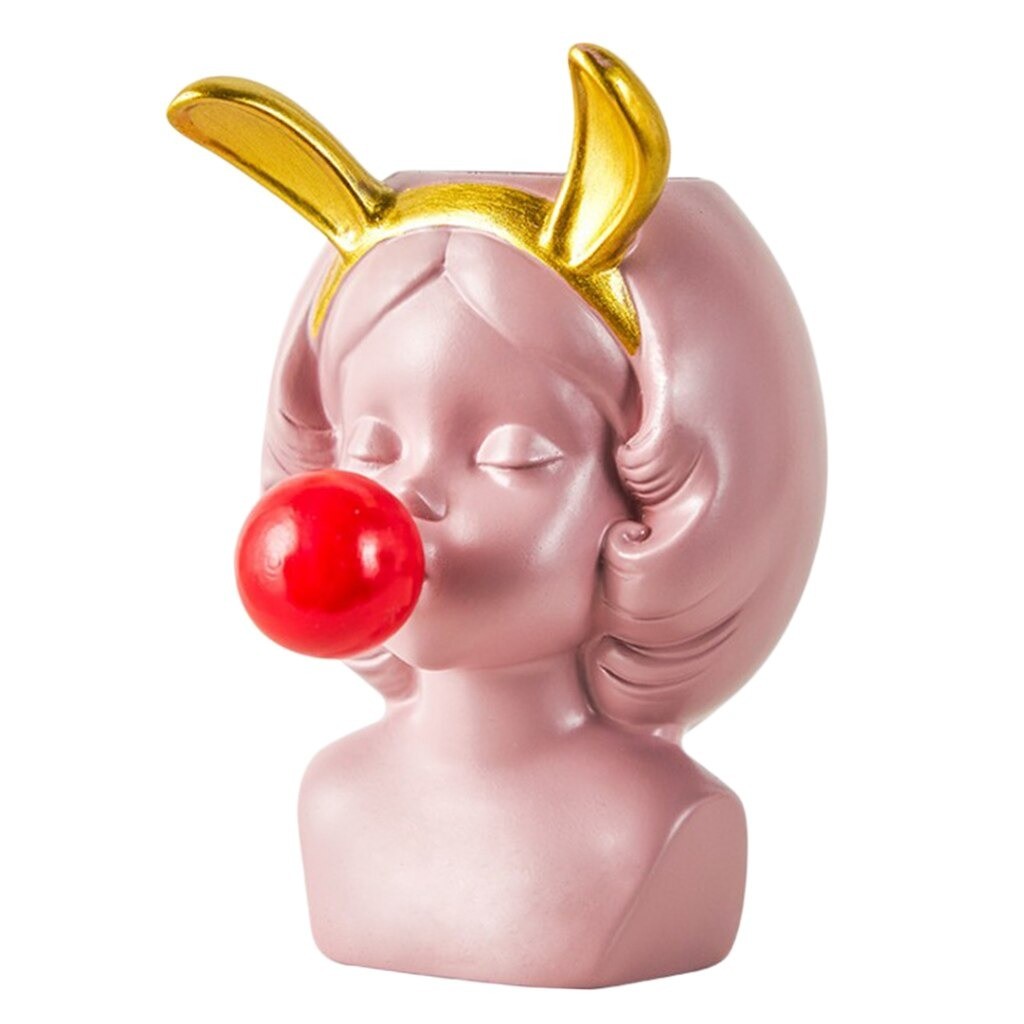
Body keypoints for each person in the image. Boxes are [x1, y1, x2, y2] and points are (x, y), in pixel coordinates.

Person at [169, 45, 826, 987]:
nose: (404, 500)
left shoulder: (660, 828)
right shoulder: (335, 798)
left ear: (656, 507)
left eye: (512, 455)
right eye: (373, 447)